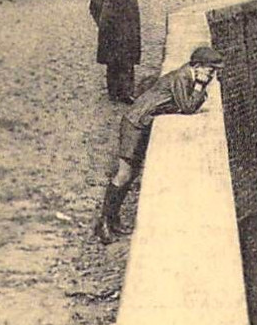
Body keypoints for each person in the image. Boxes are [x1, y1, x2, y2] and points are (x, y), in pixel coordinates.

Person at [93, 45, 223, 244]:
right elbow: (187, 107)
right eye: (210, 70)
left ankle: (113, 219)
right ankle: (103, 222)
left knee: (132, 173)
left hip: (141, 122)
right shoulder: (182, 77)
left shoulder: (187, 75)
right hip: (135, 123)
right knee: (124, 173)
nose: (212, 75)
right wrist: (199, 87)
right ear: (196, 66)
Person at [90, 0, 141, 103]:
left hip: (130, 31)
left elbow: (134, 9)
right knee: (113, 63)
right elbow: (95, 8)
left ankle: (127, 92)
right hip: (111, 32)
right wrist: (104, 25)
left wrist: (135, 28)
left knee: (128, 63)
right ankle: (114, 91)